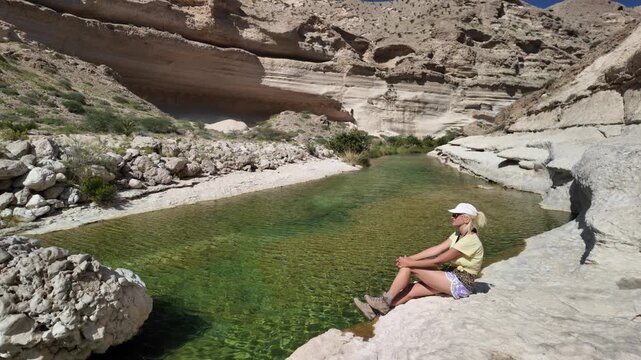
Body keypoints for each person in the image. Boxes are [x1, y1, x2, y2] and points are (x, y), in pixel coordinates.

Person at [354, 202, 486, 320]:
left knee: (409, 268)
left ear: (466, 219)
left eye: (455, 215)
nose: (452, 217)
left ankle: (385, 300)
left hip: (460, 283)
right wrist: (411, 258)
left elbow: (438, 261)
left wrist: (410, 263)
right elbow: (435, 250)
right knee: (411, 289)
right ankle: (374, 311)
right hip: (450, 276)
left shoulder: (470, 240)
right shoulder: (458, 234)